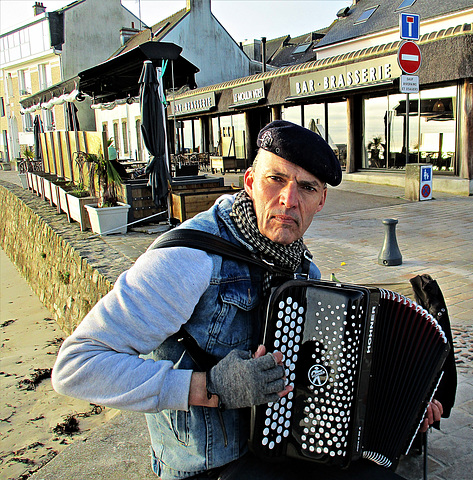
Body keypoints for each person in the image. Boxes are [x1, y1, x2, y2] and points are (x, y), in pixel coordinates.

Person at [52, 120, 442, 480]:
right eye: (276, 180)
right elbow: (76, 366)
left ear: (321, 201)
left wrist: (400, 408)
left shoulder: (304, 271)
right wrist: (206, 386)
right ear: (250, 181)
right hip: (208, 467)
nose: (289, 200)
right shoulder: (188, 260)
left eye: (307, 188)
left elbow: (325, 375)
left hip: (283, 451)